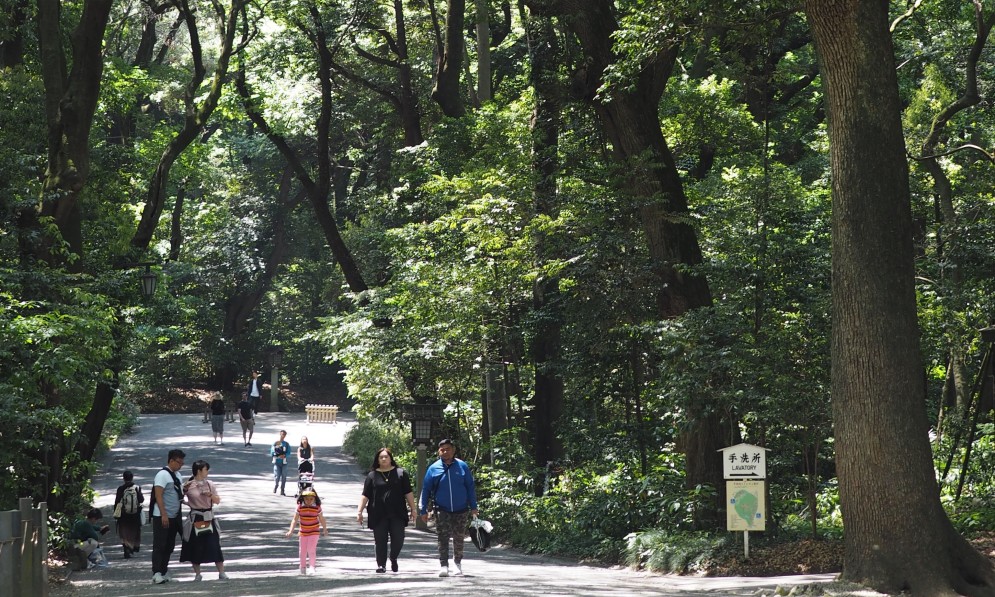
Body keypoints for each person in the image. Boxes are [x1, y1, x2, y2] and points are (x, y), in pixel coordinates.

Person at [419, 438, 478, 577]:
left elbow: (470, 487)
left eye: (448, 449)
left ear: (453, 450)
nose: (445, 452)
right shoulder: (433, 468)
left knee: (459, 538)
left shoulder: (462, 466)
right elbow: (426, 489)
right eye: (442, 449)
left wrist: (473, 506)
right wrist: (423, 510)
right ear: (438, 452)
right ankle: (443, 565)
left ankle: (457, 563)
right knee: (442, 537)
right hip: (442, 509)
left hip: (461, 508)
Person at [357, 447, 416, 573]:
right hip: (378, 513)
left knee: (398, 538)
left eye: (386, 457)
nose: (383, 459)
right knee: (380, 540)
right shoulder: (372, 475)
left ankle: (393, 557)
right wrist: (359, 512)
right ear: (377, 460)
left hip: (397, 512)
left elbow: (408, 492)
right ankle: (381, 565)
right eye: (381, 457)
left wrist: (413, 509)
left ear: (391, 458)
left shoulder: (400, 473)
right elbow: (365, 495)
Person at [179, 460, 229, 581]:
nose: (207, 472)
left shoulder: (210, 484)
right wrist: (183, 491)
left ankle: (221, 572)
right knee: (196, 545)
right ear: (199, 471)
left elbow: (217, 500)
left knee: (214, 544)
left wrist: (210, 495)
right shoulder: (188, 485)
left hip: (208, 516)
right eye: (205, 469)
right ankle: (197, 573)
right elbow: (179, 497)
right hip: (196, 517)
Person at [151, 449, 185, 584]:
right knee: (160, 544)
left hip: (174, 516)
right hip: (162, 516)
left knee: (170, 545)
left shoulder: (177, 475)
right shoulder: (162, 475)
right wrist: (163, 514)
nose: (180, 465)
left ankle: (164, 571)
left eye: (182, 463)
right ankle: (156, 572)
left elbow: (178, 492)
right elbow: (158, 495)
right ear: (171, 460)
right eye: (179, 462)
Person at [285, 488, 327, 575]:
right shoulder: (300, 507)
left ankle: (312, 567)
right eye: (306, 499)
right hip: (303, 532)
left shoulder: (317, 507)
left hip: (314, 531)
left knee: (311, 549)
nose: (309, 501)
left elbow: (322, 519)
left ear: (315, 498)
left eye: (311, 499)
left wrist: (325, 529)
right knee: (302, 551)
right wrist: (290, 531)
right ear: (303, 498)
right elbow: (295, 520)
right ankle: (303, 567)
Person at [113, 470, 145, 558]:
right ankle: (132, 547)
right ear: (132, 477)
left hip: (124, 515)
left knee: (124, 532)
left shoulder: (121, 489)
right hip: (135, 515)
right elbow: (141, 500)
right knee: (134, 531)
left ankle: (126, 549)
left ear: (123, 478)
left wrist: (116, 513)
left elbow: (117, 502)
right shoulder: (137, 488)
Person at [270, 430, 291, 495]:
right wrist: (276, 455)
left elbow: (289, 452)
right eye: (282, 434)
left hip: (284, 463)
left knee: (284, 476)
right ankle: (276, 486)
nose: (283, 435)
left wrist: (284, 455)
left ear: (285, 436)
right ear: (280, 434)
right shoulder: (275, 443)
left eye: (284, 434)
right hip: (277, 462)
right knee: (277, 476)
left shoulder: (286, 444)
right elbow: (272, 452)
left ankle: (282, 490)